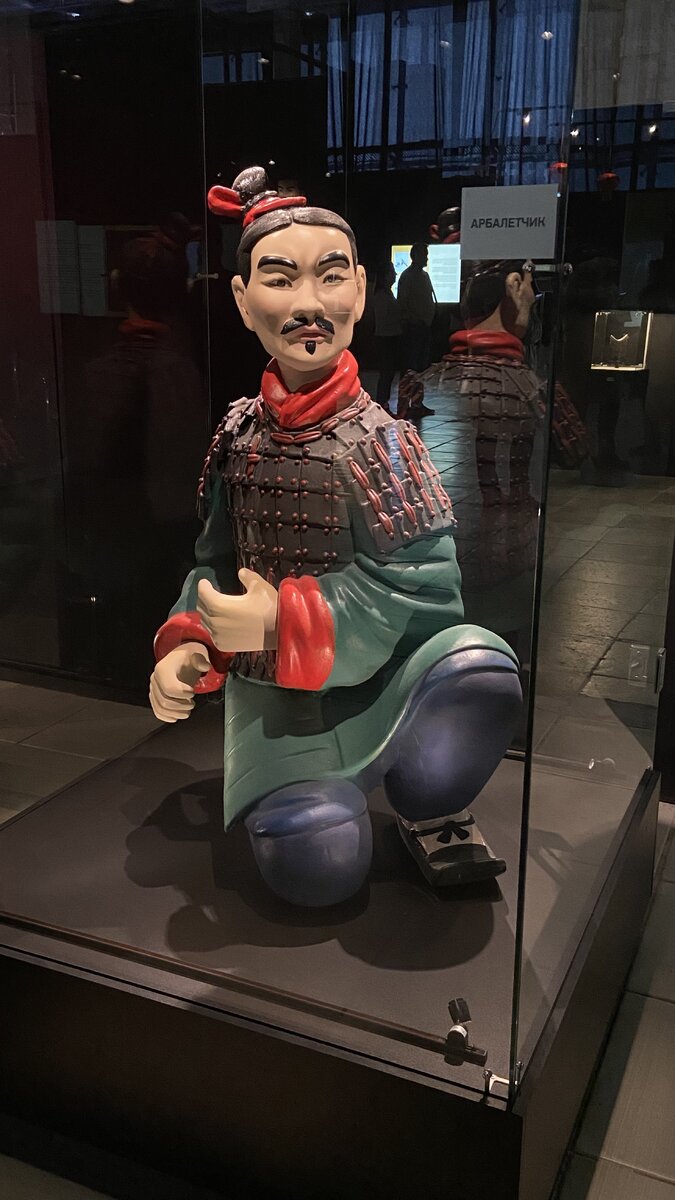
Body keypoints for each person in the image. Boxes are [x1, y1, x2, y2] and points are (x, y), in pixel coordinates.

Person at [149, 167, 522, 908]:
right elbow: (212, 565)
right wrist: (189, 641)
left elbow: (426, 591)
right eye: (279, 279)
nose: (308, 305)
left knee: (479, 667)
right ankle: (317, 795)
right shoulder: (236, 437)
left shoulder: (386, 443)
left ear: (360, 288)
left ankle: (427, 799)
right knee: (317, 868)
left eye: (329, 276)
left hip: (382, 681)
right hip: (278, 703)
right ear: (241, 299)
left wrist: (281, 617)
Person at [397, 241, 436, 373]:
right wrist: (414, 320)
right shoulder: (407, 276)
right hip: (414, 328)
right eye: (424, 255)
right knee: (412, 365)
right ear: (416, 256)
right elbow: (402, 302)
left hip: (425, 326)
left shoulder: (425, 276)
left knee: (423, 364)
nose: (427, 258)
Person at [373, 261, 401, 413]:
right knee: (386, 374)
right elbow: (384, 318)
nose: (395, 275)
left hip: (391, 337)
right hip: (386, 338)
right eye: (391, 272)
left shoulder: (388, 294)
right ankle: (382, 404)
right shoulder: (381, 296)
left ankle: (384, 404)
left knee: (388, 374)